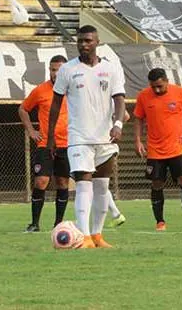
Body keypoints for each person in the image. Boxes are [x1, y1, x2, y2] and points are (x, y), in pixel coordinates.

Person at [48, 25, 126, 249]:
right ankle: (83, 237)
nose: (83, 44)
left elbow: (119, 99)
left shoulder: (111, 69)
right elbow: (56, 104)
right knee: (84, 184)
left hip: (105, 138)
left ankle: (97, 235)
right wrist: (52, 136)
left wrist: (118, 124)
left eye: (88, 40)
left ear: (97, 41)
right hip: (79, 137)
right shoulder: (68, 70)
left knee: (102, 186)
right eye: (80, 40)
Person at [133, 68, 182, 231]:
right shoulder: (143, 96)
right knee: (157, 183)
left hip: (177, 148)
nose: (156, 90)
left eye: (159, 86)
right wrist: (137, 140)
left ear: (166, 81)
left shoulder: (181, 93)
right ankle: (160, 222)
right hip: (155, 150)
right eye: (153, 87)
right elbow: (138, 118)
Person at [19, 55, 70, 232]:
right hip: (46, 145)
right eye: (53, 69)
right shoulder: (40, 90)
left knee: (63, 182)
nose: (56, 73)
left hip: (67, 144)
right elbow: (23, 109)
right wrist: (31, 131)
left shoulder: (73, 90)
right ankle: (34, 223)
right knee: (41, 181)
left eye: (59, 70)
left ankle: (59, 223)